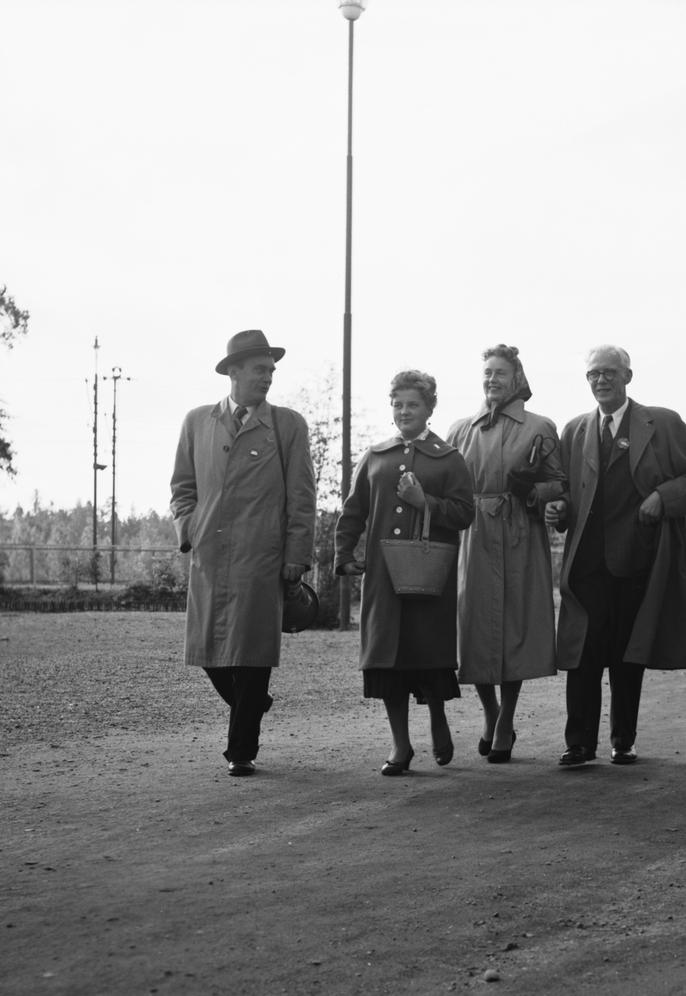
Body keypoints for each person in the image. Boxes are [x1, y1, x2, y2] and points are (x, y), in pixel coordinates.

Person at [545, 345, 686, 767]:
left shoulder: (663, 423)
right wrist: (559, 507)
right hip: (585, 564)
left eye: (609, 372)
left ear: (628, 376)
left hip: (638, 559)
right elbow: (566, 490)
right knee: (583, 653)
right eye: (593, 374)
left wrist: (662, 496)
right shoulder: (575, 430)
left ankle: (623, 740)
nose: (601, 380)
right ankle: (579, 744)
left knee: (626, 654)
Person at [170, 330, 316, 777]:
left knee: (252, 653)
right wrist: (189, 529)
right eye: (259, 369)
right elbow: (182, 487)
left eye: (271, 370)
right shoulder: (197, 421)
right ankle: (253, 705)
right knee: (207, 650)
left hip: (262, 557)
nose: (267, 377)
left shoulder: (288, 425)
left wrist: (296, 554)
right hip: (210, 555)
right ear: (233, 372)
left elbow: (302, 496)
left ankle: (241, 750)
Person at [334, 370, 475, 776]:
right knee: (386, 662)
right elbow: (353, 511)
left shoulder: (449, 458)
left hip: (429, 576)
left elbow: (464, 513)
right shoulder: (375, 456)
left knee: (427, 657)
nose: (404, 411)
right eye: (398, 404)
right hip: (382, 577)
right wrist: (344, 553)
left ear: (430, 408)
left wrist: (424, 501)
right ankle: (401, 745)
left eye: (413, 404)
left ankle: (438, 719)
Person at [447, 345, 566, 763]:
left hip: (520, 534)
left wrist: (534, 492)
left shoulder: (540, 427)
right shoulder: (460, 430)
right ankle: (491, 713)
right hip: (472, 536)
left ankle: (506, 720)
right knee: (473, 627)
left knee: (516, 627)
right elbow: (446, 484)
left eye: (500, 372)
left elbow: (560, 483)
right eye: (487, 372)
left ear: (517, 378)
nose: (492, 379)